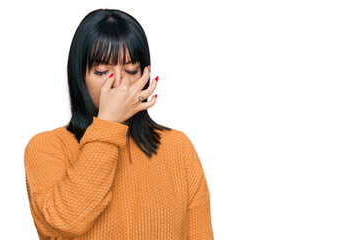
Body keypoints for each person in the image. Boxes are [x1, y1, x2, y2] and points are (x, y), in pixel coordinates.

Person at [24, 8, 214, 239]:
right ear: (79, 76)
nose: (119, 83)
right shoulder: (47, 147)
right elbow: (66, 221)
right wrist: (108, 124)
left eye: (130, 69)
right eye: (102, 71)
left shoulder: (177, 147)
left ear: (145, 73)